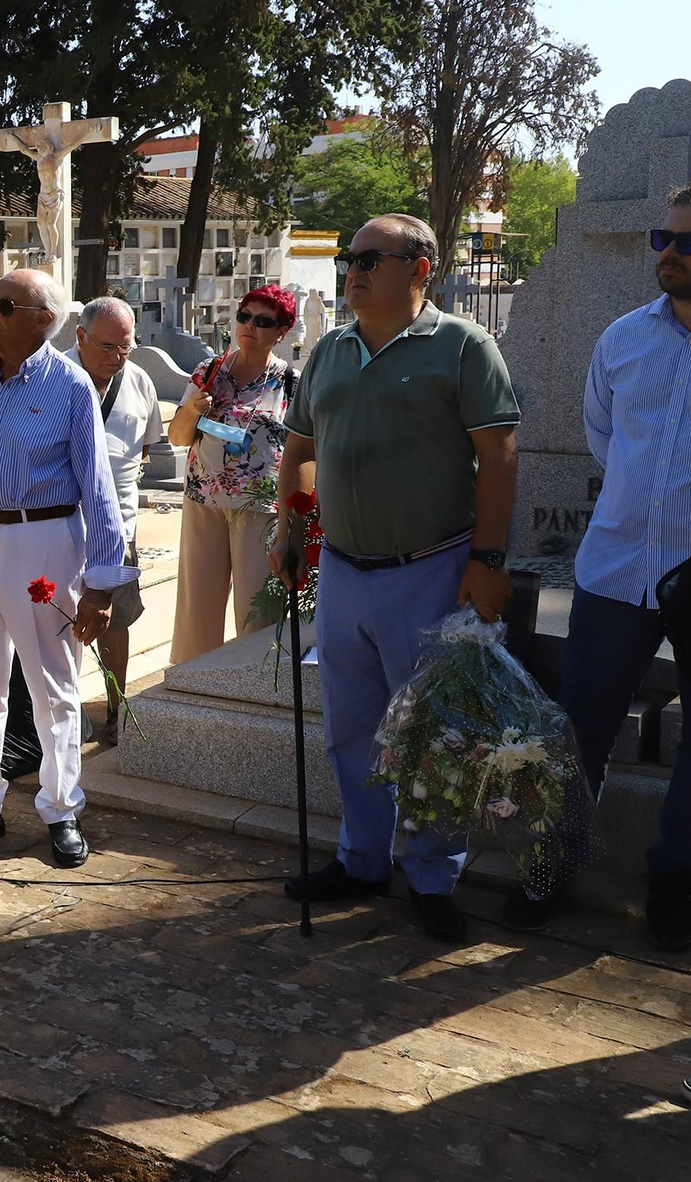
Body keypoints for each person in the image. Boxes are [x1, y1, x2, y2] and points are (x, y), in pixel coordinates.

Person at [273, 214, 519, 944]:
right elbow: (298, 450)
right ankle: (362, 859)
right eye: (350, 257)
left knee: (434, 736)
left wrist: (488, 560)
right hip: (345, 571)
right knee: (352, 730)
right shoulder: (331, 351)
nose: (352, 269)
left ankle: (435, 875)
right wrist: (291, 529)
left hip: (431, 569)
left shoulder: (463, 347)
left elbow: (499, 457)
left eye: (370, 258)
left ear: (420, 268)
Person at [500, 185, 691, 949]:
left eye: (689, 242)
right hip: (616, 573)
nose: (672, 253)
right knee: (581, 724)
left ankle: (676, 881)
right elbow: (604, 437)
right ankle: (552, 864)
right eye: (663, 238)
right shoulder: (621, 339)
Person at [0, 268, 137, 865]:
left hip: (42, 538)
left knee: (52, 684)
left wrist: (101, 584)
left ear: (44, 319)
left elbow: (98, 489)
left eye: (4, 303)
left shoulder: (71, 386)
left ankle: (61, 807)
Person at [167, 285, 298, 664]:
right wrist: (192, 409)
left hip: (258, 509)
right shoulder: (208, 372)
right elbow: (178, 437)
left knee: (255, 613)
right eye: (244, 317)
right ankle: (192, 688)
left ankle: (252, 690)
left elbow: (303, 454)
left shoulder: (292, 383)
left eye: (263, 321)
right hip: (203, 501)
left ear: (281, 332)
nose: (250, 326)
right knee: (197, 610)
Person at [63, 295, 162, 740]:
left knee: (114, 621)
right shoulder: (52, 376)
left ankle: (115, 707)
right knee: (53, 621)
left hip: (118, 525)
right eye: (106, 348)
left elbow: (143, 450)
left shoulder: (139, 381)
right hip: (59, 523)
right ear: (80, 337)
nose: (117, 358)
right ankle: (58, 715)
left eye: (126, 347)